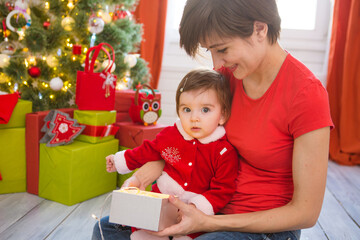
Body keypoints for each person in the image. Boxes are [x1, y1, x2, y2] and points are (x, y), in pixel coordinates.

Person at [92, 0, 334, 239]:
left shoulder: (306, 94)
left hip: (261, 227)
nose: (217, 64)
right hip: (203, 207)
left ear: (260, 29)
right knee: (108, 229)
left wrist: (209, 222)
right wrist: (141, 177)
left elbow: (306, 212)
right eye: (210, 51)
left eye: (223, 49)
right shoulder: (226, 78)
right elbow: (182, 143)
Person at [93, 69, 239, 240]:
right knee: (132, 230)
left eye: (205, 110)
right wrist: (121, 160)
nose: (194, 118)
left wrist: (195, 207)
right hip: (158, 207)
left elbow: (222, 190)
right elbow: (147, 150)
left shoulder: (224, 152)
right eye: (187, 109)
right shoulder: (170, 135)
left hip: (194, 218)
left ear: (222, 115)